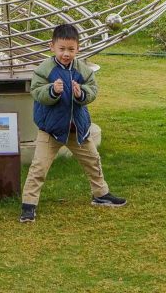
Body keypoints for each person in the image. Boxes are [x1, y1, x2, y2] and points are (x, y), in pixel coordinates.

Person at [19, 23, 126, 223]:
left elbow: (92, 90)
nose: (66, 54)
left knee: (93, 161)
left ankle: (101, 194)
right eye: (62, 49)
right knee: (39, 167)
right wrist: (52, 91)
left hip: (77, 129)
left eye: (71, 49)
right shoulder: (44, 70)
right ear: (52, 47)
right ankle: (28, 205)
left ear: (77, 49)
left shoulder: (82, 70)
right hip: (50, 130)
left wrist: (81, 93)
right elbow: (36, 92)